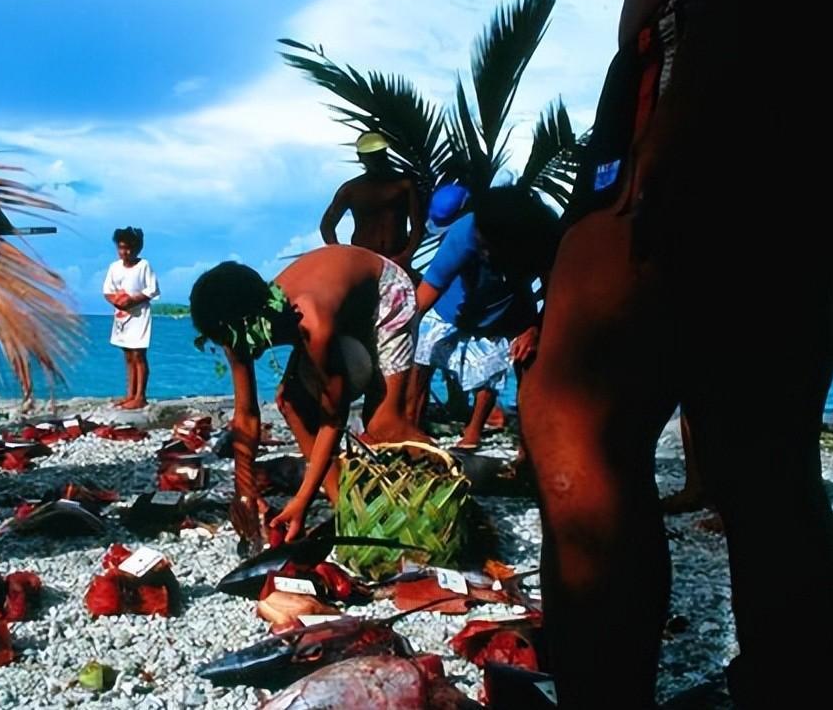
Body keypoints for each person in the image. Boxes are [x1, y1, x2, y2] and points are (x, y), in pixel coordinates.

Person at [517, 0, 833, 707]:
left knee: (575, 420)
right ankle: (793, 687)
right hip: (826, 74)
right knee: (765, 452)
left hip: (710, 43)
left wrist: (680, 110)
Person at [190, 245, 427, 548]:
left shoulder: (311, 321)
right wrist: (246, 493)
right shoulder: (233, 328)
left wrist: (302, 498)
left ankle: (452, 488)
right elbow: (247, 415)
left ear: (253, 324)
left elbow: (334, 416)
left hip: (383, 292)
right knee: (291, 403)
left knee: (383, 424)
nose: (231, 350)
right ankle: (345, 507)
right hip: (341, 302)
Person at [407, 184, 559, 451]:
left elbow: (556, 292)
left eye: (490, 247)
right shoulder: (464, 233)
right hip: (450, 309)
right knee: (421, 356)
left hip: (506, 310)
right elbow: (423, 297)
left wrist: (535, 328)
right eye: (481, 246)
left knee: (501, 365)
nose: (485, 253)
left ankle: (488, 437)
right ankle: (411, 427)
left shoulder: (541, 240)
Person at [320, 132, 424, 271]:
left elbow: (418, 226)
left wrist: (405, 256)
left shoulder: (405, 185)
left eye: (380, 154)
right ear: (361, 158)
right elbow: (327, 225)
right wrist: (342, 253)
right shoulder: (351, 190)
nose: (378, 159)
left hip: (397, 258)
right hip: (363, 260)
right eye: (372, 156)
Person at [102, 226, 159, 410]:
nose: (124, 252)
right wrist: (118, 302)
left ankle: (140, 396)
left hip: (139, 315)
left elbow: (152, 290)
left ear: (137, 248)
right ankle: (130, 394)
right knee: (127, 355)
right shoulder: (114, 267)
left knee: (138, 354)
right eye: (121, 248)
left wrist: (132, 300)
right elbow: (107, 291)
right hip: (121, 316)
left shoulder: (144, 266)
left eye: (128, 248)